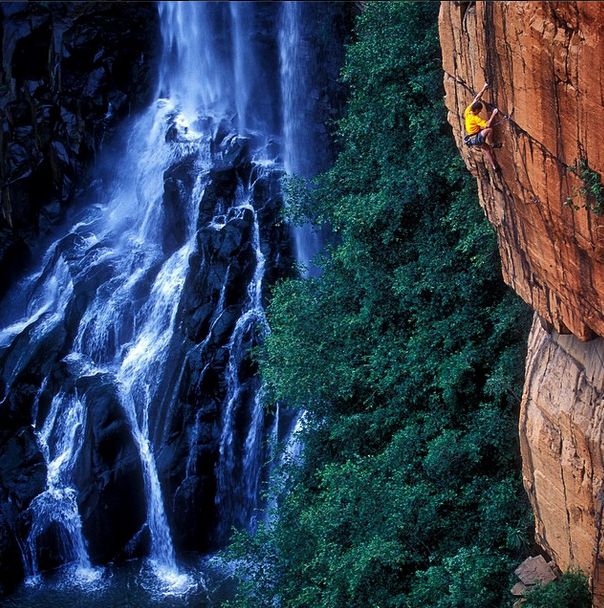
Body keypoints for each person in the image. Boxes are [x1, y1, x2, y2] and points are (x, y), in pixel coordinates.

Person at [463, 82, 501, 171]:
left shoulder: (468, 110)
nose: (479, 112)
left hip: (472, 138)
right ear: (476, 110)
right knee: (489, 130)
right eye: (479, 111)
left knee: (487, 150)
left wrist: (484, 87)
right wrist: (493, 114)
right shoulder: (474, 118)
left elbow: (477, 98)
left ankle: (495, 167)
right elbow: (487, 125)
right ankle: (492, 143)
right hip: (476, 137)